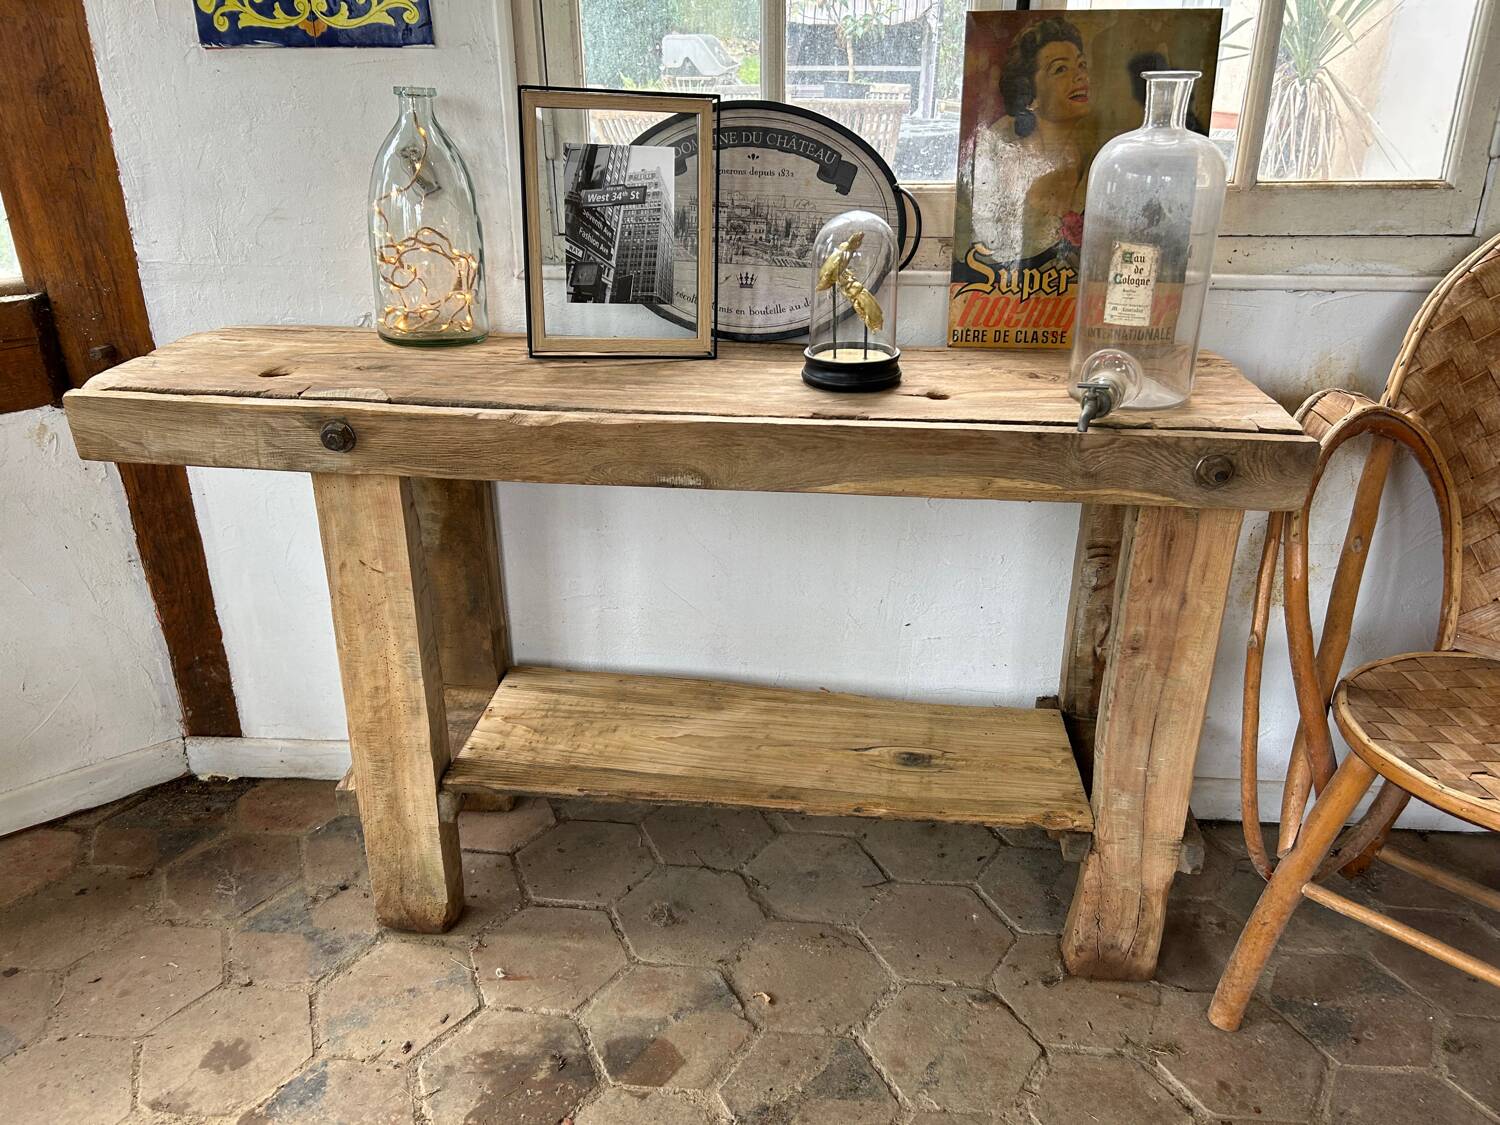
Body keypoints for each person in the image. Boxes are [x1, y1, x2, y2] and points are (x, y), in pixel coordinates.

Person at [966, 17, 1091, 267]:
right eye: (1060, 69)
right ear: (1029, 94)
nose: (1080, 76)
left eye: (1081, 64)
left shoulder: (1090, 158)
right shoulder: (1005, 159)